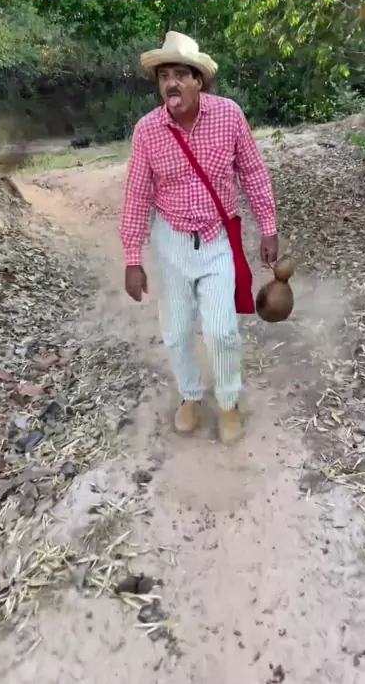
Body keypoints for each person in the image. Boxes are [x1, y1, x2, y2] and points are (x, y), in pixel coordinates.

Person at [120, 31, 278, 444]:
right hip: (171, 242)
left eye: (179, 75)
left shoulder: (229, 116)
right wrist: (133, 257)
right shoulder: (147, 130)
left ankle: (228, 403)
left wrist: (269, 227)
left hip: (216, 239)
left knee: (221, 331)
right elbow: (137, 193)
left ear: (198, 80)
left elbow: (253, 172)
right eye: (163, 77)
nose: (170, 84)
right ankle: (190, 396)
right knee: (176, 331)